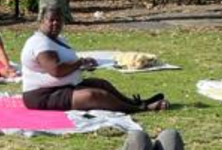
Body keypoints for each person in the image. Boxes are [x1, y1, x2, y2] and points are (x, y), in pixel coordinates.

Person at [21, 7, 168, 112]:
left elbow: (67, 64)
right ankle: (139, 109)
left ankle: (134, 102)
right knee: (94, 95)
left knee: (101, 84)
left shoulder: (58, 39)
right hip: (43, 95)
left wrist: (83, 64)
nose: (55, 24)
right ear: (41, 21)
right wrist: (79, 62)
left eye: (58, 20)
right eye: (51, 20)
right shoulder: (40, 42)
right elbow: (57, 70)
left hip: (64, 87)